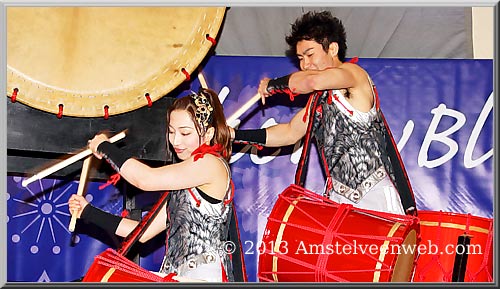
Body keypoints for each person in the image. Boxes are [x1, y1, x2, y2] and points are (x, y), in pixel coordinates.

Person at [232, 11, 416, 216]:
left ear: (333, 48)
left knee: (380, 249)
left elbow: (312, 81)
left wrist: (272, 85)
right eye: (300, 58)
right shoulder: (319, 99)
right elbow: (289, 133)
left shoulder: (353, 74)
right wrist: (233, 136)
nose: (305, 64)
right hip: (338, 200)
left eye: (310, 54)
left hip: (375, 196)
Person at [68, 88, 243, 282]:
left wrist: (106, 148)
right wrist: (88, 211)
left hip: (202, 277)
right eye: (171, 131)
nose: (176, 141)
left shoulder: (210, 163)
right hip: (180, 276)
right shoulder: (187, 176)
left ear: (209, 133)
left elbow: (145, 179)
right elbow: (142, 233)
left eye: (185, 133)